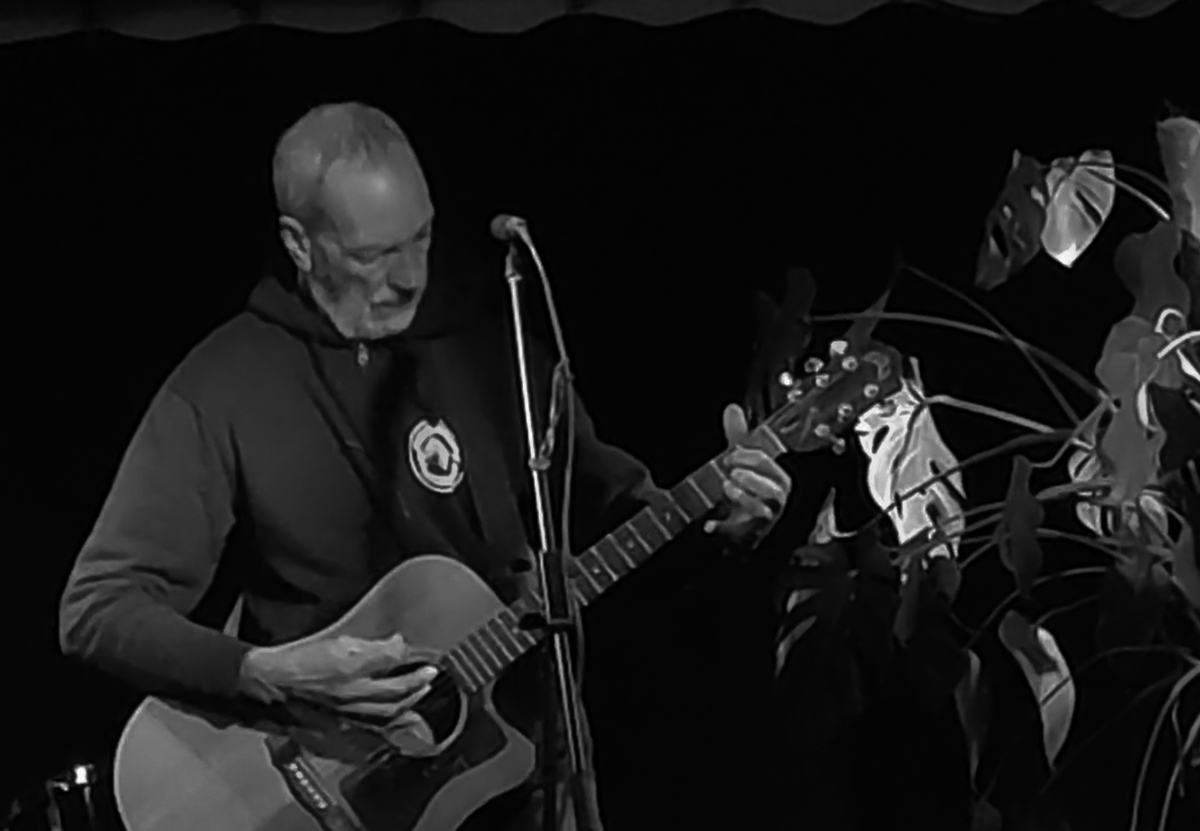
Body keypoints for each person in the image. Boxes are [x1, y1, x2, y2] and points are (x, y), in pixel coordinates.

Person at [58, 101, 792, 830]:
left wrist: (719, 524)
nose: (409, 276)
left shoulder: (494, 347)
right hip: (324, 796)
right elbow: (98, 608)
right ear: (300, 245)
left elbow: (612, 522)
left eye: (421, 238)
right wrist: (265, 673)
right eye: (372, 255)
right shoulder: (225, 386)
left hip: (528, 775)